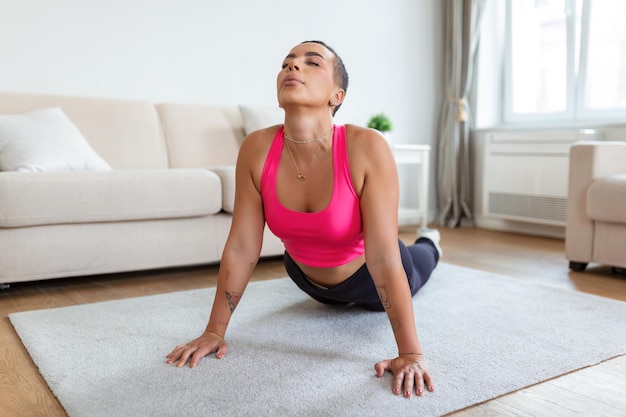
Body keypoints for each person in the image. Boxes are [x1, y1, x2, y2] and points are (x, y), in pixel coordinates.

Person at [167, 40, 440, 399]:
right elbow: (241, 247)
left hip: (368, 281)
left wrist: (411, 354)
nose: (293, 67)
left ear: (336, 95)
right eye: (287, 63)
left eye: (312, 63)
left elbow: (383, 257)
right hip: (306, 280)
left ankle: (431, 241)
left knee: (420, 259)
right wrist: (214, 331)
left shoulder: (366, 147)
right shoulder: (256, 148)